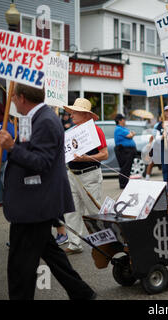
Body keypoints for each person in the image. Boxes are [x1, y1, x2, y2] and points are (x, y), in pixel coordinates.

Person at [0, 83, 96, 300]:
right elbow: (25, 149)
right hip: (31, 200)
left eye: (13, 96)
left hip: (35, 203)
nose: (11, 101)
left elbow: (42, 162)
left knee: (21, 264)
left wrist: (10, 147)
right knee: (50, 254)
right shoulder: (27, 119)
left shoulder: (47, 121)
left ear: (22, 98)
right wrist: (14, 146)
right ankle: (82, 293)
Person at [64, 98, 108, 255]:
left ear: (85, 115)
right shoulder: (71, 132)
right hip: (72, 174)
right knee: (71, 210)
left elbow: (105, 154)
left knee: (93, 210)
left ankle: (105, 243)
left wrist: (86, 158)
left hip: (89, 173)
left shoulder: (96, 130)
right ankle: (74, 243)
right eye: (72, 112)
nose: (71, 115)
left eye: (75, 112)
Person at [114, 113, 136, 189]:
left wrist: (132, 133)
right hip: (123, 150)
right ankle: (123, 184)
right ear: (120, 120)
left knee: (128, 167)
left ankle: (126, 182)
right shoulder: (119, 129)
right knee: (125, 167)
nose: (125, 121)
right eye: (123, 119)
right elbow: (130, 135)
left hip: (129, 150)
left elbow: (132, 133)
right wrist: (132, 133)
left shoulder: (124, 128)